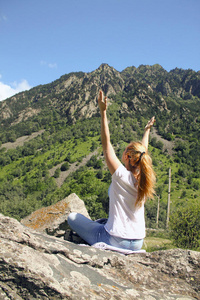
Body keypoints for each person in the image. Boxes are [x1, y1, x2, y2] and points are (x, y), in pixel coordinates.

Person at [67, 90, 156, 251]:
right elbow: (144, 152)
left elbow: (106, 143)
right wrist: (147, 131)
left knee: (72, 217)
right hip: (137, 243)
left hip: (114, 239)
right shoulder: (144, 178)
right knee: (102, 221)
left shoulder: (121, 175)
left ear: (128, 157)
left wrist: (103, 112)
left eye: (125, 151)